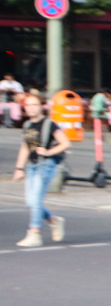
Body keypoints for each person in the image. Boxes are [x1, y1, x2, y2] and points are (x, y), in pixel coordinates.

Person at [12, 94, 70, 247]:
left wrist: (48, 152)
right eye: (28, 105)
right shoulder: (27, 125)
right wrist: (19, 168)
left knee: (36, 200)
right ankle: (53, 220)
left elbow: (65, 143)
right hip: (32, 166)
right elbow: (26, 147)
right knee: (31, 202)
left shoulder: (49, 124)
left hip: (46, 165)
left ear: (41, 106)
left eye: (34, 105)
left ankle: (34, 233)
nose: (31, 108)